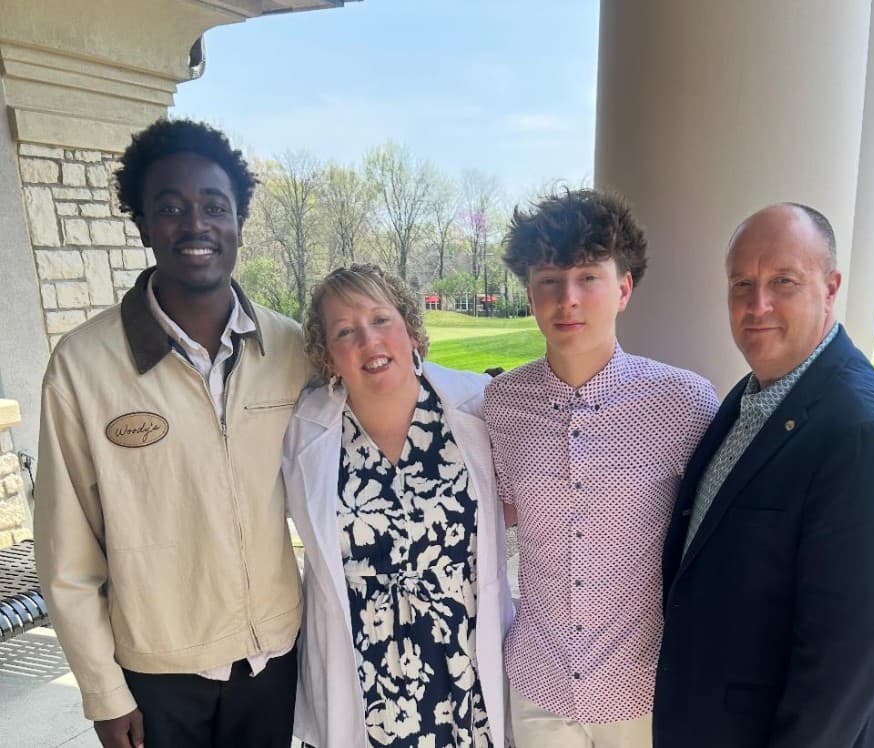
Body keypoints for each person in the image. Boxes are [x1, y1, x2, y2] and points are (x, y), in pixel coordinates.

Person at [34, 119, 308, 748]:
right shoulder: (82, 366)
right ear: (143, 224)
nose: (195, 224)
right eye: (171, 208)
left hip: (274, 659)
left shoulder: (291, 349)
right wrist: (102, 689)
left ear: (239, 220)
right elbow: (66, 552)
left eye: (214, 206)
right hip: (157, 675)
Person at [655, 203, 874, 747]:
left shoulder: (861, 433)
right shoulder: (754, 394)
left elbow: (844, 664)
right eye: (742, 284)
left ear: (830, 287)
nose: (758, 305)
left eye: (783, 281)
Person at [484, 189, 719, 748]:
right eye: (548, 280)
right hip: (539, 687)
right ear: (530, 294)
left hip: (642, 691)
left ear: (623, 289)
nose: (568, 298)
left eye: (588, 276)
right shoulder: (501, 405)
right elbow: (501, 513)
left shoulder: (685, 403)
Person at [283, 264, 514, 748]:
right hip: (362, 678)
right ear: (328, 356)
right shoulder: (303, 430)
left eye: (380, 319)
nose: (369, 340)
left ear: (409, 327)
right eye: (345, 331)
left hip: (465, 666)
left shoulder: (477, 404)